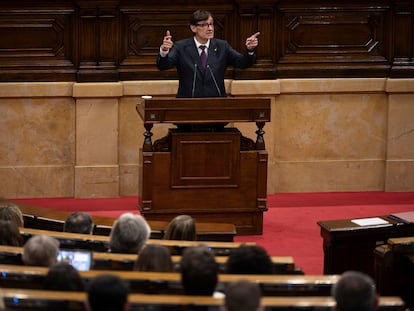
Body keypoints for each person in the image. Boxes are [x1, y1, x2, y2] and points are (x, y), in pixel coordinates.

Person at [157, 9, 260, 98]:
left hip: (216, 105)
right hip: (188, 105)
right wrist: (164, 51)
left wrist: (249, 50)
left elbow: (242, 63)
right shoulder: (181, 47)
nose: (210, 28)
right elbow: (163, 66)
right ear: (193, 28)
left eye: (211, 24)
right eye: (204, 25)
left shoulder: (222, 46)